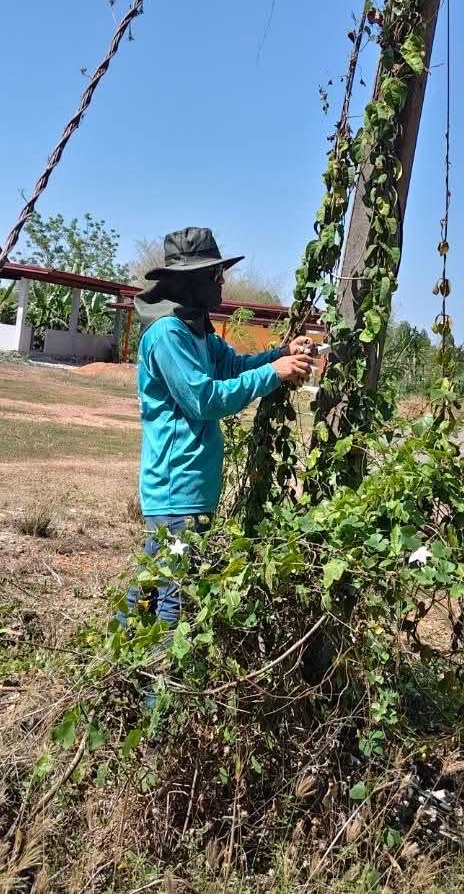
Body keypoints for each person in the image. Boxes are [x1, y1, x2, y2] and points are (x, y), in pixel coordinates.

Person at [127, 226, 314, 627]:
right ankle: (157, 668)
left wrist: (282, 353)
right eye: (215, 275)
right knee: (173, 599)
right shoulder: (168, 334)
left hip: (190, 488)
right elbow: (204, 399)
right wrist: (275, 373)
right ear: (190, 280)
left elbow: (232, 366)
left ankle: (126, 653)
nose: (222, 282)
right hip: (177, 488)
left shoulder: (194, 328)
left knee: (152, 585)